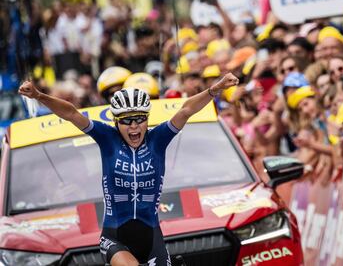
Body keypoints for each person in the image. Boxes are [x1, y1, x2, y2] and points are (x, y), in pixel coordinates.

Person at [18, 73, 239, 266]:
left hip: (151, 237)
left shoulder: (158, 140)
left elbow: (186, 109)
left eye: (139, 119)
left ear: (147, 120)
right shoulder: (107, 139)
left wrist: (216, 89)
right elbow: (72, 114)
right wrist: (39, 96)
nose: (133, 126)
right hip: (115, 237)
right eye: (126, 121)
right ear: (116, 122)